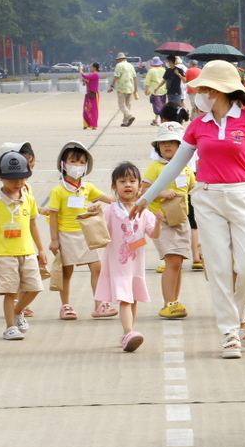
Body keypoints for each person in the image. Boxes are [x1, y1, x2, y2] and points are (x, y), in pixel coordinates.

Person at [135, 60, 245, 359]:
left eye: (204, 88)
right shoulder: (197, 125)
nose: (199, 93)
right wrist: (144, 196)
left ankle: (240, 315)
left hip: (242, 196)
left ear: (220, 91)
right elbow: (176, 164)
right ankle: (229, 332)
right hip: (206, 198)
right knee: (217, 268)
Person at [0, 151, 47, 341]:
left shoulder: (29, 199)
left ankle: (17, 312)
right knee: (10, 291)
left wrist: (41, 249)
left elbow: (33, 224)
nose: (18, 182)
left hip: (27, 251)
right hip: (5, 253)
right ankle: (10, 326)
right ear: (0, 177)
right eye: (12, 179)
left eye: (22, 177)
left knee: (35, 287)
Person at [48, 141, 116, 321]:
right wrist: (54, 239)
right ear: (63, 165)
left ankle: (99, 304)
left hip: (86, 234)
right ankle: (66, 305)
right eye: (73, 162)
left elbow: (108, 199)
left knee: (97, 268)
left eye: (81, 163)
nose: (77, 166)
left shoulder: (87, 188)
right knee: (67, 271)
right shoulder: (58, 191)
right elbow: (53, 216)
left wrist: (128, 197)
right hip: (66, 235)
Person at [96, 162, 160, 352]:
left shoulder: (144, 212)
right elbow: (99, 232)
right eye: (122, 181)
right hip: (118, 266)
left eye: (132, 181)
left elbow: (153, 234)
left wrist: (160, 223)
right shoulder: (110, 211)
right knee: (125, 299)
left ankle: (127, 333)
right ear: (114, 187)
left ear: (140, 186)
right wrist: (94, 215)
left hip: (135, 267)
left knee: (133, 299)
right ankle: (129, 331)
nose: (128, 185)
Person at [141, 123, 196, 319]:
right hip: (161, 221)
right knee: (172, 259)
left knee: (178, 262)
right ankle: (167, 303)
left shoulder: (186, 169)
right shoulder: (155, 167)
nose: (167, 146)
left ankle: (174, 301)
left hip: (181, 220)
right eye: (163, 143)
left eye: (172, 143)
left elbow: (194, 189)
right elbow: (143, 190)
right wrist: (161, 192)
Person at [108, 52, 138, 127]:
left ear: (120, 59)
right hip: (130, 87)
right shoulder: (130, 66)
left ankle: (130, 116)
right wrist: (136, 88)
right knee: (128, 105)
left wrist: (112, 85)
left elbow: (116, 76)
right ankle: (125, 121)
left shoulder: (119, 65)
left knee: (122, 105)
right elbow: (135, 77)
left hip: (122, 88)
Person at [144, 56, 168, 126]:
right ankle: (156, 120)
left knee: (157, 107)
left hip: (155, 91)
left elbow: (147, 82)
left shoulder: (151, 71)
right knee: (162, 106)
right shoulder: (164, 70)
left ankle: (161, 121)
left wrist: (146, 89)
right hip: (163, 90)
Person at [78, 62, 101, 130]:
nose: (90, 68)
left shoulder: (96, 75)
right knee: (86, 109)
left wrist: (81, 72)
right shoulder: (91, 75)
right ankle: (86, 124)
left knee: (93, 110)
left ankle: (93, 125)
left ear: (94, 68)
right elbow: (87, 80)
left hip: (93, 94)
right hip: (88, 94)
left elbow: (87, 77)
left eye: (91, 67)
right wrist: (85, 81)